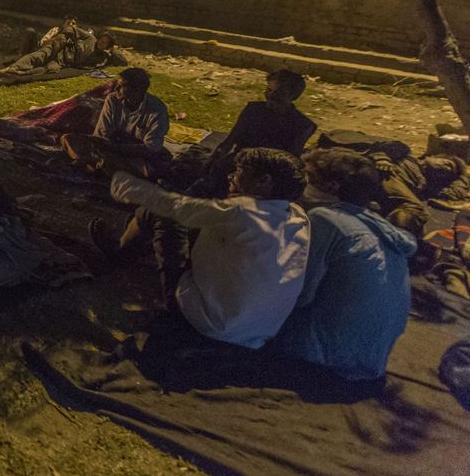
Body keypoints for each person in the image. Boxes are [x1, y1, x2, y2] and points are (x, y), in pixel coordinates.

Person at [110, 147, 310, 348]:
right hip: (258, 333)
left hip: (210, 323)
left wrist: (126, 186)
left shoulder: (242, 212)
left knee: (161, 216)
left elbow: (174, 207)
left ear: (264, 181)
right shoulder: (299, 216)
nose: (231, 176)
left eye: (240, 172)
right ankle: (123, 252)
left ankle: (117, 255)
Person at [273, 148, 416, 379]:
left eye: (308, 176)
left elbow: (300, 295)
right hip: (372, 354)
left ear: (332, 186)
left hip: (326, 352)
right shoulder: (375, 222)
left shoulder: (325, 219)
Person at [191, 69, 316, 198]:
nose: (270, 96)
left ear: (293, 95)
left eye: (277, 93)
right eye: (268, 90)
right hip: (239, 162)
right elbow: (230, 140)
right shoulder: (253, 110)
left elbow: (291, 160)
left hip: (268, 174)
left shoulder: (303, 125)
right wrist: (213, 162)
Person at [60, 67, 170, 178]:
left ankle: (95, 164)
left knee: (147, 170)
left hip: (137, 155)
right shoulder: (113, 99)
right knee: (68, 138)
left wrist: (116, 148)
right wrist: (104, 146)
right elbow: (102, 134)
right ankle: (97, 163)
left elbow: (151, 148)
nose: (117, 88)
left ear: (137, 90)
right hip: (111, 147)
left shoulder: (157, 109)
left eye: (122, 86)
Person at [0, 17, 96, 74]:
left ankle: (21, 65)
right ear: (63, 25)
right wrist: (58, 39)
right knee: (30, 32)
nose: (71, 25)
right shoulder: (56, 30)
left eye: (73, 23)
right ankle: (20, 59)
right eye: (68, 23)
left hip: (56, 57)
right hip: (41, 49)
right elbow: (43, 43)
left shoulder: (75, 37)